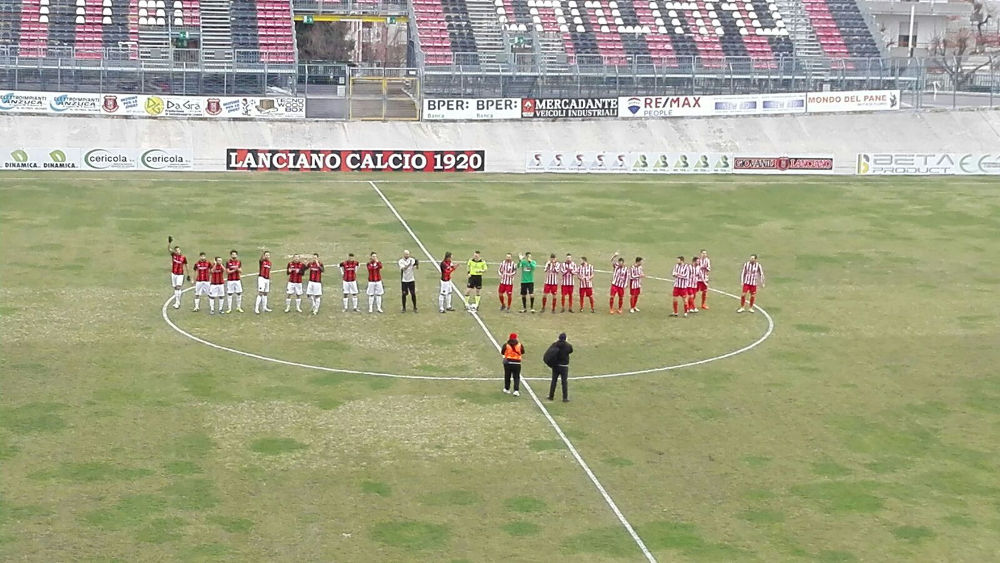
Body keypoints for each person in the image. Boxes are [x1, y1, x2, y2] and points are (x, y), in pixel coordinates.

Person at [547, 332, 573, 402]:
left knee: (554, 381)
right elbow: (571, 351)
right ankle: (565, 398)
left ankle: (551, 396)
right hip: (564, 366)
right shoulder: (568, 346)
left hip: (556, 366)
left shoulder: (555, 344)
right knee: (564, 382)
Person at [167, 239, 190, 310]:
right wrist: (169, 243)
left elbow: (186, 265)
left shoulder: (183, 258)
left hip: (180, 274)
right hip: (173, 274)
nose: (178, 251)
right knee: (175, 287)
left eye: (179, 250)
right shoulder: (173, 255)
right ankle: (177, 302)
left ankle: (177, 302)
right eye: (177, 250)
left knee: (178, 287)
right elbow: (169, 249)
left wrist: (188, 274)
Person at [501, 332, 524, 397]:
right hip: (517, 363)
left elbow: (502, 352)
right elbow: (522, 352)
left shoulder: (506, 345)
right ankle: (516, 390)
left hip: (508, 363)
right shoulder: (519, 345)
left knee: (507, 376)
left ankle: (506, 388)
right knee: (516, 377)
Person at [255, 250, 273, 314]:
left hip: (267, 279)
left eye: (268, 255)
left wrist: (269, 279)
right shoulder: (262, 261)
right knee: (260, 293)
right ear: (264, 256)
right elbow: (261, 259)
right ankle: (256, 308)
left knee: (265, 293)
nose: (267, 256)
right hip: (261, 278)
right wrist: (262, 253)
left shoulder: (270, 263)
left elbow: (269, 271)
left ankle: (264, 307)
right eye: (266, 255)